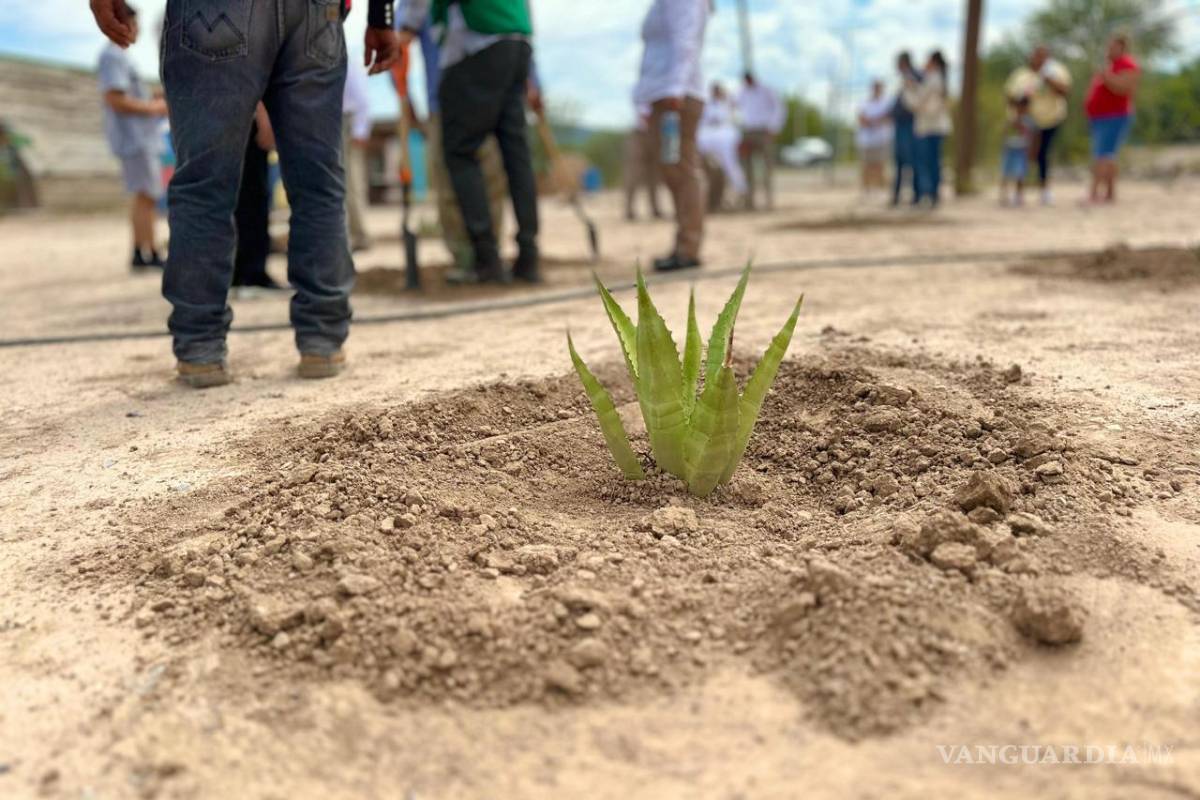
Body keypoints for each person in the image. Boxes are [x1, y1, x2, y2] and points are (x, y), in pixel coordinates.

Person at [90, 0, 400, 388]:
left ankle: (201, 347)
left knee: (204, 182)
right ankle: (322, 340)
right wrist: (382, 16)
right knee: (318, 183)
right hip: (316, 13)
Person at [398, 0, 541, 284]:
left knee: (459, 152)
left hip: (475, 45)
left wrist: (405, 30)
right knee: (516, 154)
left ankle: (486, 259)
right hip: (517, 43)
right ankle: (528, 256)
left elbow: (415, 8)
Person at [635, 0, 711, 272]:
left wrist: (676, 88)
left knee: (684, 169)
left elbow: (686, 40)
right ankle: (683, 244)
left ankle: (688, 248)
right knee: (673, 170)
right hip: (663, 93)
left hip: (677, 96)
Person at [96, 5, 168, 271]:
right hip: (135, 139)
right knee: (144, 195)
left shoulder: (121, 58)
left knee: (147, 196)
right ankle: (144, 252)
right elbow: (115, 99)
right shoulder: (113, 56)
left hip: (141, 138)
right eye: (134, 25)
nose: (136, 31)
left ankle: (147, 249)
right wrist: (155, 108)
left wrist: (154, 99)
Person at [1005, 45, 1071, 205]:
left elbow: (1065, 91)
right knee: (1023, 155)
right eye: (1036, 55)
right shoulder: (1021, 76)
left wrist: (1048, 79)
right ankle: (1018, 192)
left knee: (1043, 154)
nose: (1039, 59)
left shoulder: (1057, 72)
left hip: (1051, 120)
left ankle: (1044, 190)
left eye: (1043, 56)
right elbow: (1010, 97)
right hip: (1027, 122)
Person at [232, 104, 285, 293]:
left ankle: (239, 271)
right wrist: (264, 118)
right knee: (253, 198)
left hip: (226, 117)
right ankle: (251, 271)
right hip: (247, 119)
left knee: (241, 198)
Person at [1085, 34, 1140, 205]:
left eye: (1113, 46)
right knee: (1107, 155)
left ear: (1122, 48)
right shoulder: (1111, 66)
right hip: (1100, 118)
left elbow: (1123, 88)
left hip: (1114, 116)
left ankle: (1094, 193)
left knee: (1103, 155)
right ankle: (1109, 194)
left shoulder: (1127, 65)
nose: (1109, 50)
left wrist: (1106, 76)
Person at [906, 50, 952, 208]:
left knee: (926, 163)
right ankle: (932, 194)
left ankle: (929, 194)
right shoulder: (939, 80)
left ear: (933, 62)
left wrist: (910, 89)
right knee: (934, 162)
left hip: (928, 127)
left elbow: (918, 103)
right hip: (934, 127)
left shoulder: (933, 80)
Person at [736, 72, 784, 210]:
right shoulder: (742, 92)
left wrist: (774, 127)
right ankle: (749, 202)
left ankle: (769, 201)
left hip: (764, 131)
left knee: (767, 167)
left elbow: (779, 108)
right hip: (747, 131)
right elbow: (735, 108)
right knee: (746, 167)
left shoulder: (767, 90)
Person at [697, 83, 747, 209]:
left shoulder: (729, 105)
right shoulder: (706, 106)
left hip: (725, 141)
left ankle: (741, 194)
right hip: (708, 144)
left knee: (730, 167)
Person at [343, 62, 374, 252]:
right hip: (329, 121)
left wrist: (361, 130)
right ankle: (345, 235)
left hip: (347, 123)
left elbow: (362, 98)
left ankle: (359, 234)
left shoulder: (346, 60)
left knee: (352, 183)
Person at [623, 104, 664, 221]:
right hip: (640, 135)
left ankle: (655, 209)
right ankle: (629, 210)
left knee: (654, 175)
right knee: (633, 174)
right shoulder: (645, 91)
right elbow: (644, 115)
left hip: (655, 134)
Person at [890, 52, 920, 206]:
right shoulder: (906, 78)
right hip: (901, 124)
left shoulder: (914, 75)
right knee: (900, 161)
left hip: (909, 124)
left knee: (911, 160)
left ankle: (916, 194)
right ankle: (896, 195)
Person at [856, 79, 893, 196]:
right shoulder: (864, 102)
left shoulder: (887, 103)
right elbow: (861, 118)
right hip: (866, 140)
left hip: (881, 139)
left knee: (880, 165)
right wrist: (875, 121)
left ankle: (879, 189)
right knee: (866, 165)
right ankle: (866, 189)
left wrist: (874, 121)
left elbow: (888, 118)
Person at [1000, 95, 1035, 207]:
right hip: (1010, 148)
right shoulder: (1011, 119)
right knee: (1005, 172)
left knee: (1020, 174)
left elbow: (1032, 136)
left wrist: (1031, 150)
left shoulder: (1029, 121)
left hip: (1022, 150)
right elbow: (1005, 132)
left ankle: (1019, 196)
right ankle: (1004, 195)